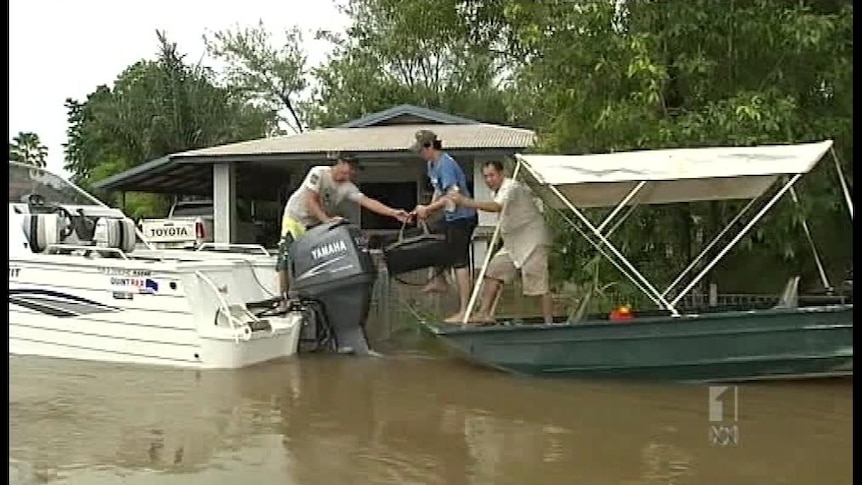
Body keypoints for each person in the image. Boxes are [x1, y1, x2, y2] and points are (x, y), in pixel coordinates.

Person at [276, 154, 411, 305]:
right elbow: (310, 201)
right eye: (350, 168)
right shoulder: (319, 173)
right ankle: (283, 298)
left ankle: (308, 297)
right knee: (286, 255)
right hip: (296, 217)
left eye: (354, 170)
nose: (351, 173)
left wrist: (393, 213)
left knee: (314, 259)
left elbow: (367, 201)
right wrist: (327, 221)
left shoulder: (347, 187)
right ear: (340, 163)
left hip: (315, 223)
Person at [448, 160, 554, 324]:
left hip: (532, 240)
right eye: (486, 177)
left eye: (492, 175)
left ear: (501, 174)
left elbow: (497, 207)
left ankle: (549, 324)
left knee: (538, 284)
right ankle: (484, 313)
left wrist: (466, 202)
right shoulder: (495, 192)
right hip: (513, 243)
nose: (489, 180)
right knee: (493, 271)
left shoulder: (511, 187)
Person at [410, 130, 478, 324]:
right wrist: (428, 213)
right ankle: (439, 280)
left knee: (460, 261)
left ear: (430, 146)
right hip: (450, 217)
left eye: (421, 150)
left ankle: (466, 310)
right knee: (432, 236)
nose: (420, 155)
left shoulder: (446, 164)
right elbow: (439, 192)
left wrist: (428, 208)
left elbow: (452, 196)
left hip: (463, 217)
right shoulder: (432, 165)